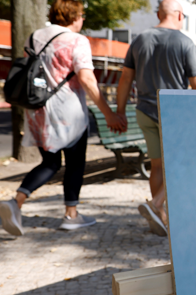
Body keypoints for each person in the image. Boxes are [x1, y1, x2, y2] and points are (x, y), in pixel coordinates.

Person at [0, 0, 126, 236]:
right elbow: (87, 79)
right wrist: (108, 114)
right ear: (74, 17)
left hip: (38, 110)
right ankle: (71, 215)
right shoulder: (77, 41)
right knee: (75, 163)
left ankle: (15, 202)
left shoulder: (35, 36)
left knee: (50, 162)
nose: (82, 20)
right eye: (81, 15)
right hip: (68, 112)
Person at [116, 0, 196, 236]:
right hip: (174, 113)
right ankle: (156, 205)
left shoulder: (139, 39)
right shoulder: (184, 42)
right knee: (183, 163)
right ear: (179, 15)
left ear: (159, 14)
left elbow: (125, 79)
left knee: (157, 165)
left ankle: (160, 217)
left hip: (144, 110)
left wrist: (119, 111)